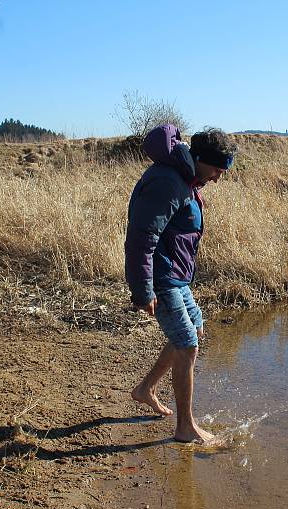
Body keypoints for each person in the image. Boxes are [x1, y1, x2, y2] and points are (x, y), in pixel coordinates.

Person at [125, 124, 237, 443]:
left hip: (176, 276)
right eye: (216, 169)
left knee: (194, 331)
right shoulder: (168, 181)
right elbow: (141, 239)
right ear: (198, 158)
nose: (217, 177)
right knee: (188, 344)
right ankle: (185, 427)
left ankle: (145, 389)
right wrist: (143, 290)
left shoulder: (185, 177)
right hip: (162, 279)